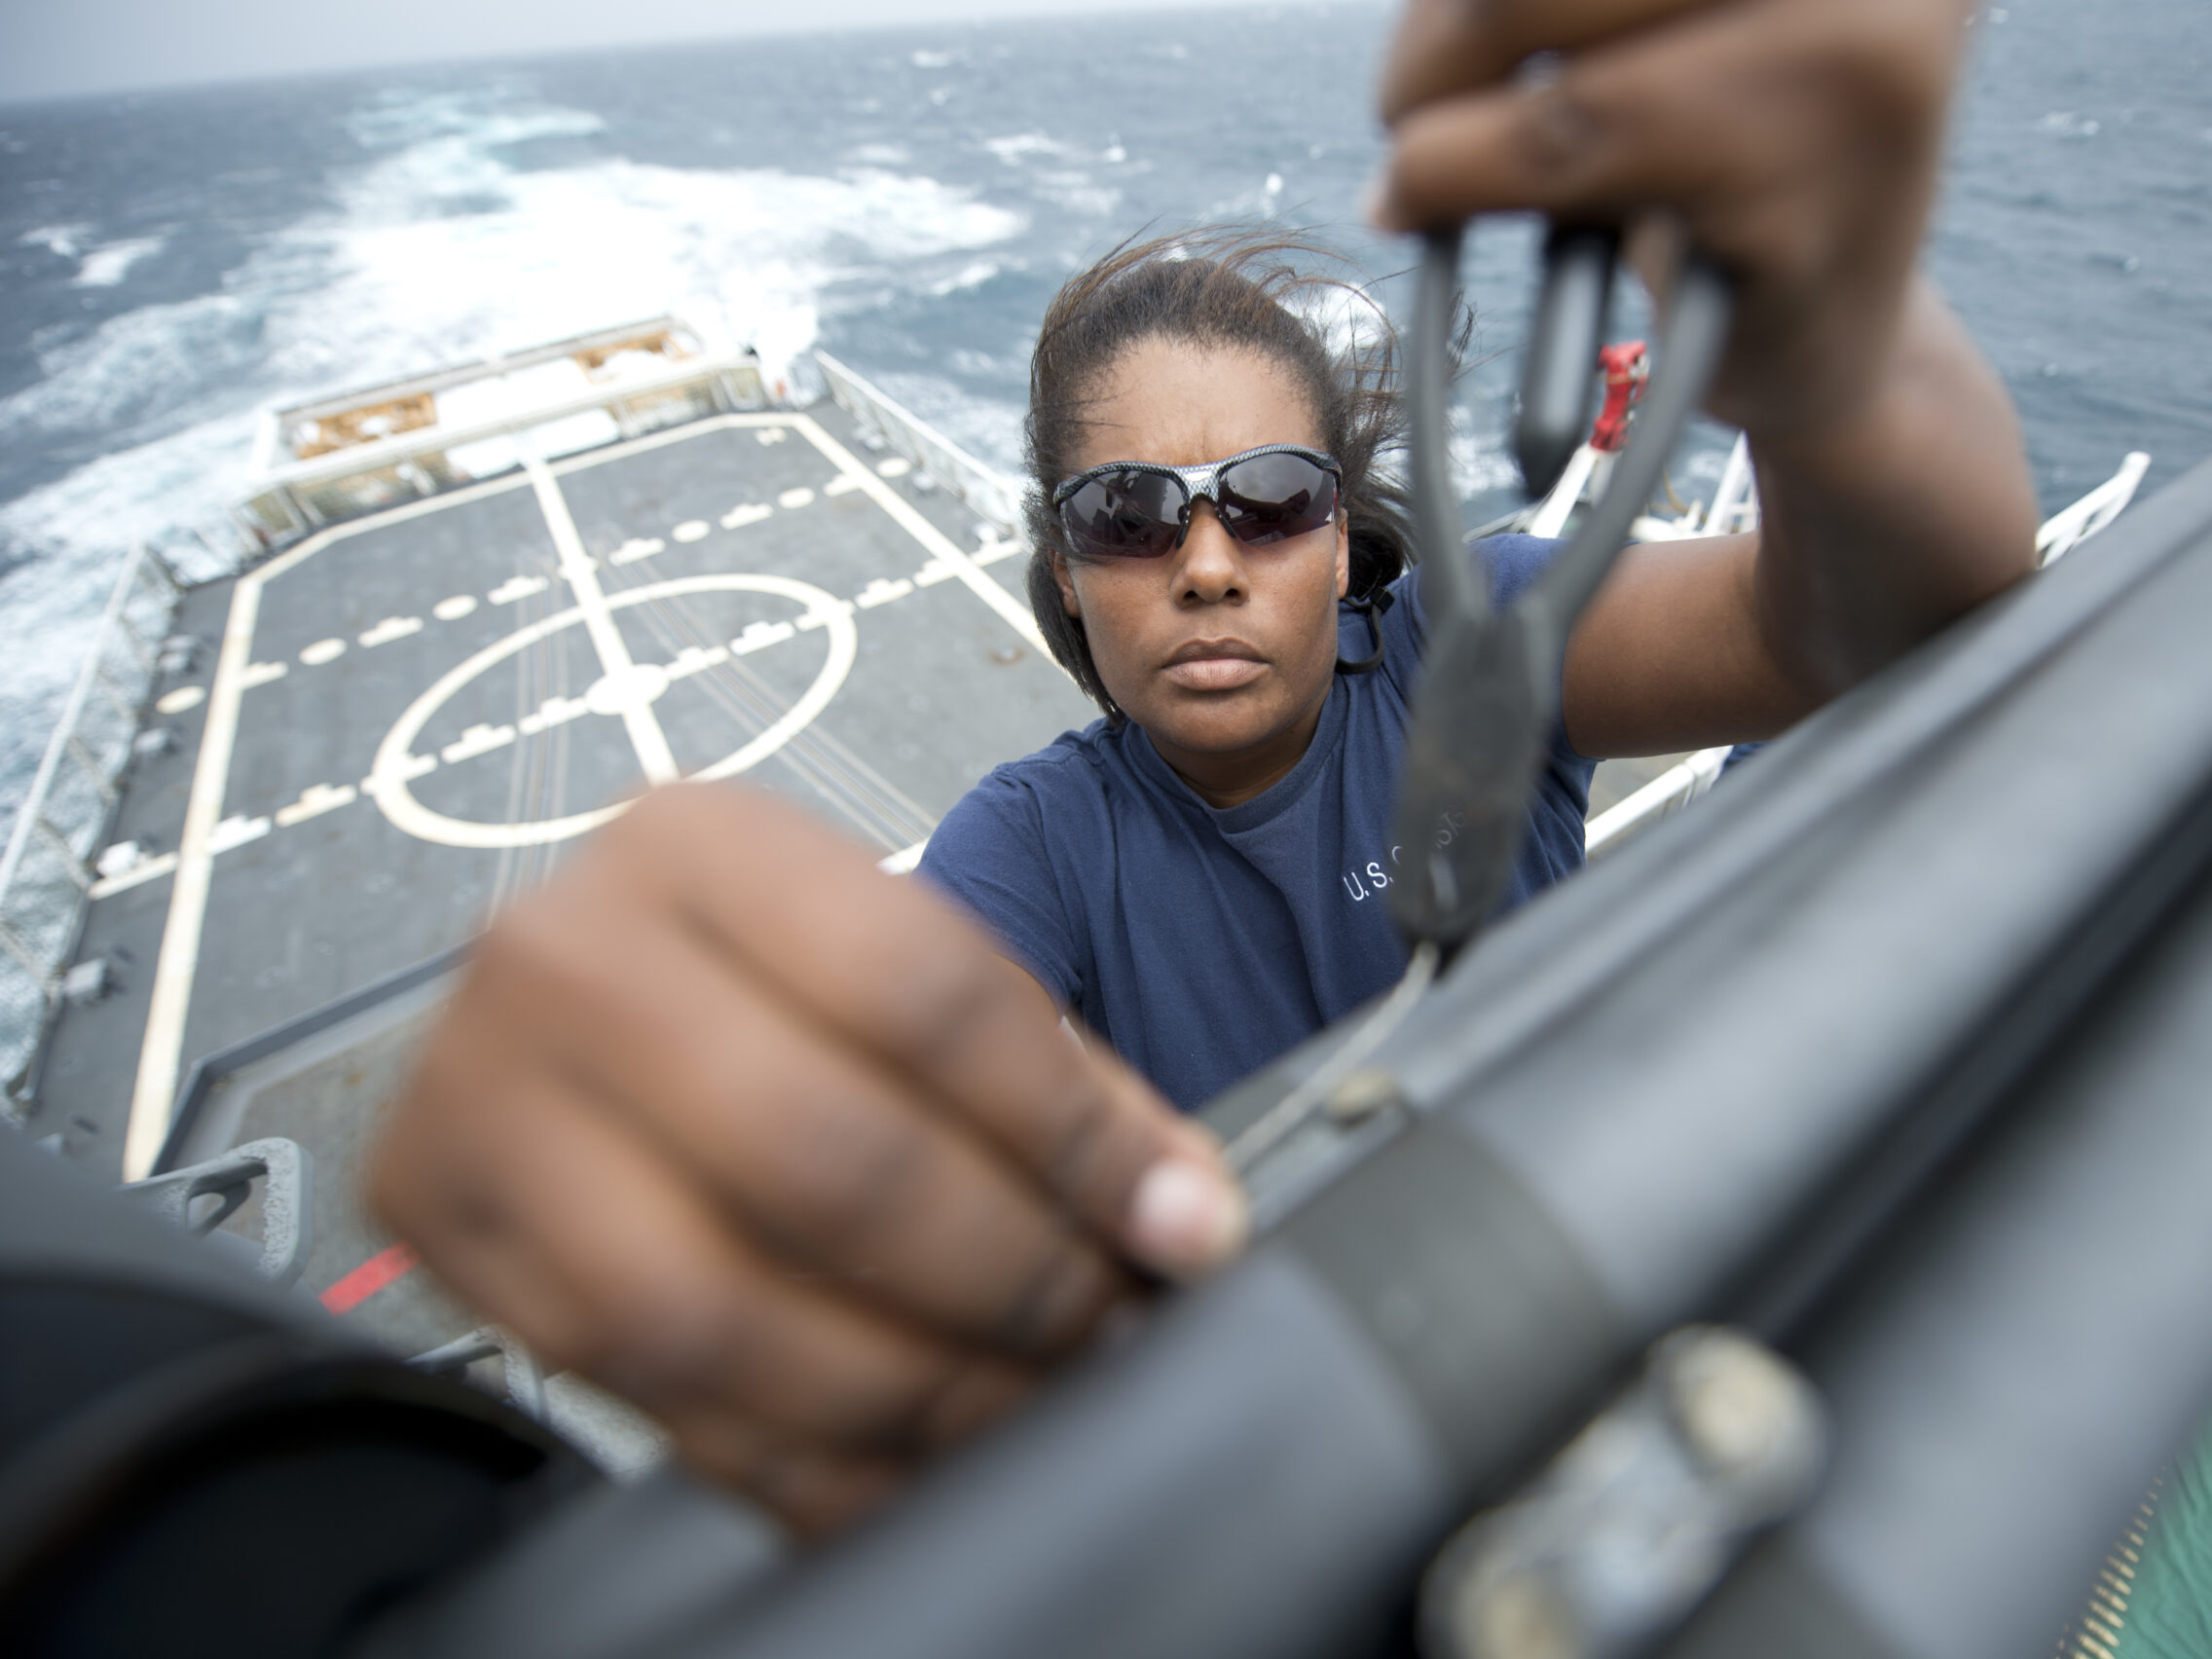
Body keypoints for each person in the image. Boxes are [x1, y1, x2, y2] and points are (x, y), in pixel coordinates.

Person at [370, 0, 2039, 1535]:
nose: (1209, 560)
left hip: (1609, 1307)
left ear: (1346, 537)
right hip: (1309, 1437)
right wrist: (714, 1115)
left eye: (1274, 498)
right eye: (1130, 515)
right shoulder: (1033, 843)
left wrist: (1838, 346)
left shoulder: (1484, 648)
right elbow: (915, 1070)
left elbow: (1876, 608)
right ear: (1070, 576)